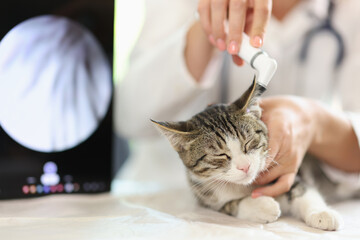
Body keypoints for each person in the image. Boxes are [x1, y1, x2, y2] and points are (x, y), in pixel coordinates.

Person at [115, 0, 360, 197]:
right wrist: (205, 30)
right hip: (165, 202)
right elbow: (128, 118)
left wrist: (313, 121)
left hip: (288, 205)